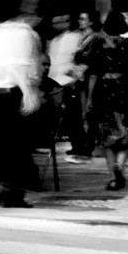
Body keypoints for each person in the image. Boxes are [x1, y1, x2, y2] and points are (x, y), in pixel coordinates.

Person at [0, 0, 44, 208]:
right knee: (18, 145)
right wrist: (28, 91)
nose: (33, 8)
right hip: (13, 90)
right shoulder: (21, 32)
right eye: (30, 4)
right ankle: (11, 190)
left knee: (8, 143)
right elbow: (16, 64)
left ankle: (6, 190)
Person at [79, 10, 128, 191]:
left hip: (103, 92)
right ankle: (120, 165)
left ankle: (113, 177)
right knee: (125, 138)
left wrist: (89, 100)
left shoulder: (97, 43)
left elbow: (93, 72)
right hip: (126, 92)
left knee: (107, 139)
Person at [47, 12, 96, 159]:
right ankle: (77, 144)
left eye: (61, 22)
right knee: (71, 115)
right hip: (58, 81)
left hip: (73, 80)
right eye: (55, 23)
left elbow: (81, 60)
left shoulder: (77, 38)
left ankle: (82, 145)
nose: (58, 25)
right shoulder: (55, 41)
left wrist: (74, 77)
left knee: (78, 114)